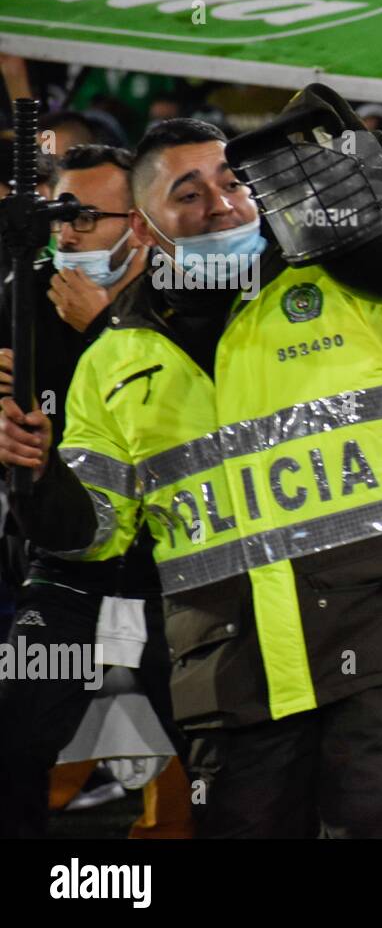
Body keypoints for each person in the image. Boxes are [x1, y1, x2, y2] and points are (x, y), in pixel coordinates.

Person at [0, 112, 382, 838]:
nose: (220, 202)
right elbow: (93, 534)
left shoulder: (345, 284)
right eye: (188, 194)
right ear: (148, 228)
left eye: (232, 182)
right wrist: (34, 474)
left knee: (369, 817)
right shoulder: (111, 363)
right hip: (232, 665)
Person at [0, 143, 179, 838]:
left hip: (175, 578)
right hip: (66, 576)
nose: (65, 233)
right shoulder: (22, 293)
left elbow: (183, 422)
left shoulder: (188, 297)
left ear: (137, 224)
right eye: (57, 216)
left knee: (220, 758)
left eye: (83, 217)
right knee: (14, 739)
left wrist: (104, 328)